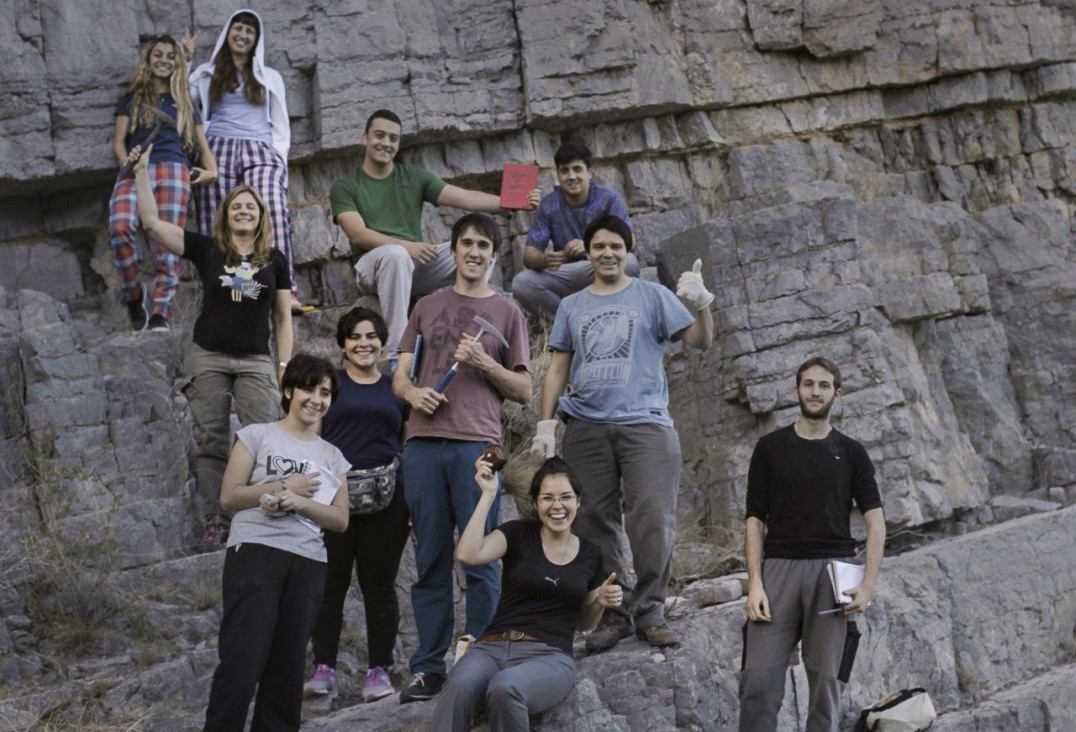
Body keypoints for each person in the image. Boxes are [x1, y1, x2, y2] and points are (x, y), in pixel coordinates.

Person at [531, 214, 714, 652]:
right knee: (594, 522)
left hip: (645, 424)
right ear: (588, 252)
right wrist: (546, 422)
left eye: (617, 246)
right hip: (586, 426)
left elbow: (701, 341)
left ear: (628, 251)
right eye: (599, 246)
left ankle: (651, 610)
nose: (608, 253)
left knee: (651, 516)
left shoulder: (651, 295)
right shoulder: (572, 305)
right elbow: (558, 366)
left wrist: (703, 303)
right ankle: (614, 614)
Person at [392, 212, 532, 703]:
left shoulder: (508, 312)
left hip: (477, 445)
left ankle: (482, 659)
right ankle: (429, 668)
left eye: (483, 246)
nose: (473, 252)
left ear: (495, 255)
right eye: (465, 243)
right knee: (429, 559)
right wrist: (413, 396)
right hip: (424, 445)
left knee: (481, 561)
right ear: (454, 250)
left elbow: (524, 389)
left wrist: (484, 362)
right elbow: (399, 375)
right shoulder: (426, 306)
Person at [132, 144, 293, 547]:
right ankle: (215, 522)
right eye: (236, 206)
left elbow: (283, 318)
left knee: (266, 437)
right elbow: (152, 223)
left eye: (251, 208)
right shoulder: (208, 249)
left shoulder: (275, 259)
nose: (243, 211)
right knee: (213, 441)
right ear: (226, 214)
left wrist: (284, 366)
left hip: (256, 359)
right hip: (208, 356)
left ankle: (263, 514)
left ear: (260, 217)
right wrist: (140, 172)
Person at [202, 354, 351, 732]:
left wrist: (300, 502)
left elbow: (341, 519)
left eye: (325, 392)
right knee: (242, 659)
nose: (316, 399)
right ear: (288, 390)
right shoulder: (257, 435)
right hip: (255, 552)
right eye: (308, 388)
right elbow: (229, 496)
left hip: (307, 561)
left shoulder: (333, 457)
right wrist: (286, 486)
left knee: (286, 670)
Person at [739, 357, 886, 732]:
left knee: (826, 688)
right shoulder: (771, 448)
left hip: (834, 572)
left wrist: (867, 585)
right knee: (757, 682)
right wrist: (755, 583)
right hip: (779, 571)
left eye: (823, 385)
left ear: (837, 393)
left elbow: (876, 520)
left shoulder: (852, 452)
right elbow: (754, 520)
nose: (814, 391)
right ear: (796, 391)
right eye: (807, 384)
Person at [428, 456, 621, 732]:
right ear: (535, 503)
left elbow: (584, 623)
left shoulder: (591, 554)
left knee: (506, 687)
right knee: (459, 683)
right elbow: (467, 554)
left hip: (549, 656)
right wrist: (488, 494)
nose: (557, 506)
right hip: (491, 648)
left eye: (566, 497)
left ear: (578, 501)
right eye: (547, 498)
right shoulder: (517, 534)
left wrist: (600, 602)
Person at [330, 109, 540, 360]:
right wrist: (408, 246)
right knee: (396, 255)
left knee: (473, 252)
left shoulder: (413, 177)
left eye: (393, 138)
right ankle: (398, 354)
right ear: (365, 138)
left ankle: (470, 328)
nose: (386, 143)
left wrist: (514, 201)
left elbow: (465, 199)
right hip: (373, 266)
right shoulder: (346, 186)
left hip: (413, 263)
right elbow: (358, 234)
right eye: (379, 135)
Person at [303, 307, 410, 703]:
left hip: (387, 498)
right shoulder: (329, 385)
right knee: (329, 586)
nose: (363, 344)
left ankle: (378, 672)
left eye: (371, 336)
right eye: (355, 337)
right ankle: (324, 669)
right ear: (343, 344)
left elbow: (408, 441)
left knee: (379, 585)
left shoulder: (397, 387)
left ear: (382, 342)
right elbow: (311, 435)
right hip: (333, 496)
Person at [185, 9, 306, 312]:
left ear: (256, 39)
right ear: (228, 33)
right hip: (218, 147)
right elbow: (183, 100)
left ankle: (284, 289)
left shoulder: (269, 77)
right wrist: (186, 60)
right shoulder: (207, 73)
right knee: (215, 217)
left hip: (259, 147)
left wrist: (279, 155)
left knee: (272, 209)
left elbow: (280, 122)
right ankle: (229, 289)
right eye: (237, 28)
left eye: (249, 31)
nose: (242, 35)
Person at [109, 33, 217, 332]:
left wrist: (211, 172)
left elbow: (204, 149)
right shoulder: (131, 99)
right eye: (158, 54)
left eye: (171, 56)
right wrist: (126, 162)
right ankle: (133, 296)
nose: (164, 60)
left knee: (167, 242)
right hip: (137, 168)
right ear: (148, 58)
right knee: (119, 227)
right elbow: (118, 142)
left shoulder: (184, 101)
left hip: (173, 168)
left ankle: (160, 312)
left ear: (177, 62)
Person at [510, 142, 640, 318]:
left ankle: (609, 312)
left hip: (600, 266)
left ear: (589, 173)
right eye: (565, 171)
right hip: (567, 274)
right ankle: (570, 321)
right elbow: (529, 255)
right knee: (521, 283)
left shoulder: (609, 199)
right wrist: (544, 259)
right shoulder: (548, 205)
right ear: (558, 176)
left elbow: (630, 241)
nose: (571, 176)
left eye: (577, 169)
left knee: (630, 263)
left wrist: (592, 246)